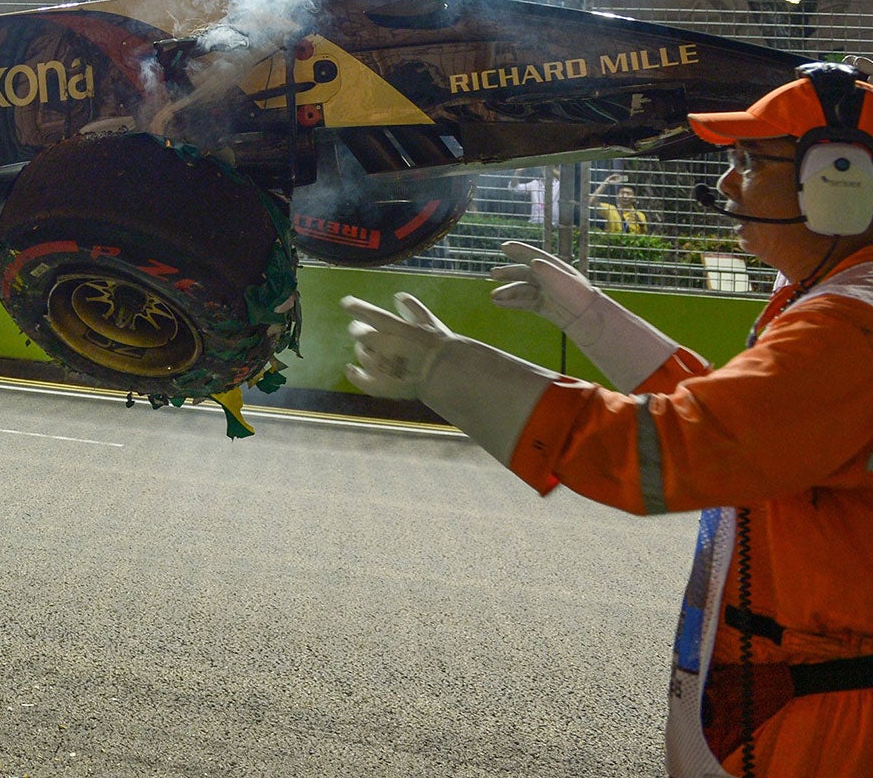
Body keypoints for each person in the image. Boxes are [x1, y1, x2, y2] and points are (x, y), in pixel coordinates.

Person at [345, 62, 873, 777]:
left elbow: (682, 450)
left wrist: (459, 376)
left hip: (829, 723)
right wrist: (593, 318)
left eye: (750, 161)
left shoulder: (848, 328)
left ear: (841, 184)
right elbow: (753, 434)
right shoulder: (836, 302)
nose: (725, 182)